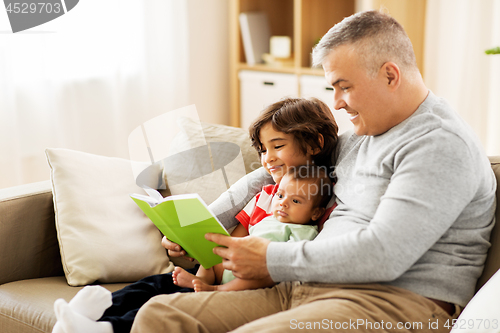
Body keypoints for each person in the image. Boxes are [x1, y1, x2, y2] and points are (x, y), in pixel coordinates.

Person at [131, 10, 497, 333]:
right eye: (332, 88)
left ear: (390, 75)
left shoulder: (440, 145)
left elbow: (385, 253)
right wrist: (204, 226)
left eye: (344, 87)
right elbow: (284, 171)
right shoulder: (361, 137)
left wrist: (270, 259)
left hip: (391, 305)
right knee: (161, 315)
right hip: (306, 287)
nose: (336, 102)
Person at [50, 97, 339, 333]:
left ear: (315, 144)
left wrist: (212, 281)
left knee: (169, 304)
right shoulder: (265, 192)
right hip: (221, 271)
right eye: (263, 149)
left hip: (250, 285)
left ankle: (105, 328)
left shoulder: (325, 198)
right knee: (154, 285)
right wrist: (190, 242)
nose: (268, 158)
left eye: (277, 146)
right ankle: (88, 314)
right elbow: (233, 239)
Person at [172, 165, 332, 292]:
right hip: (233, 264)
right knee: (212, 260)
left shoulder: (304, 231)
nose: (283, 203)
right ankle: (200, 280)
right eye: (280, 195)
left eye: (296, 201)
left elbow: (289, 260)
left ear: (316, 213)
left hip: (255, 273)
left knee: (261, 277)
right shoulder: (268, 218)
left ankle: (215, 289)